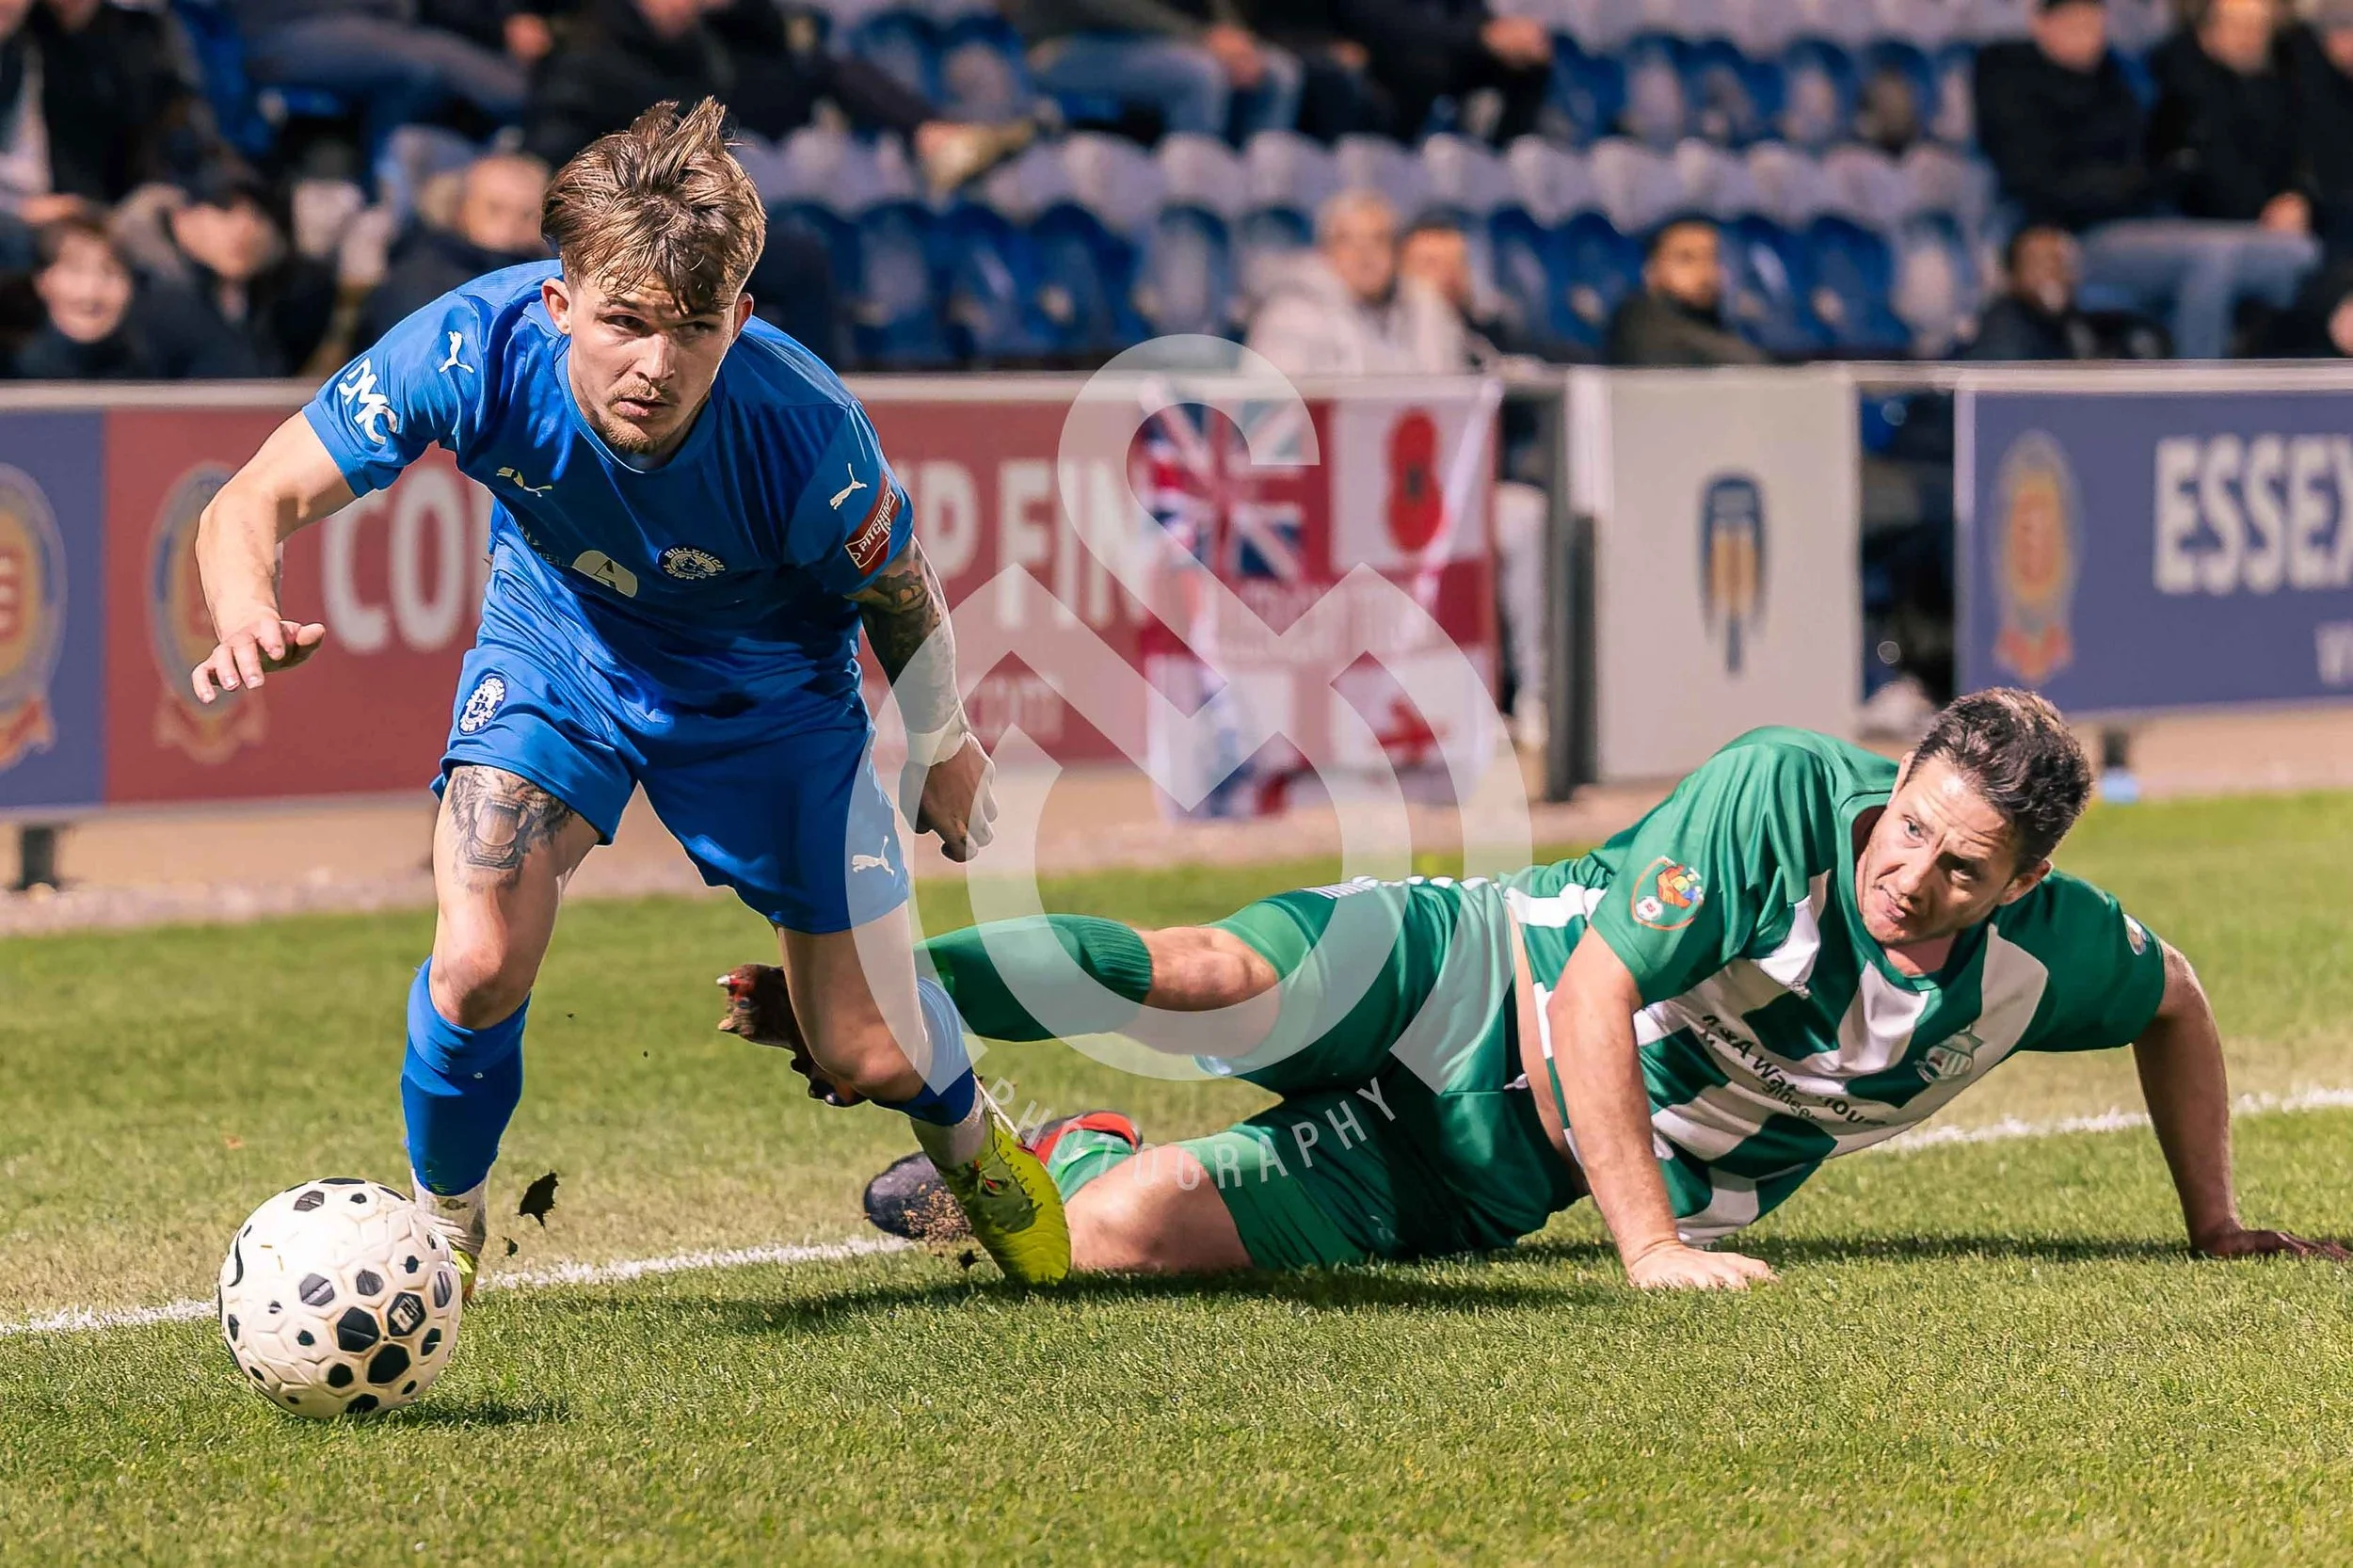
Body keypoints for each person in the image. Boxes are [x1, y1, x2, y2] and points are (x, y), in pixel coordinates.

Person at [185, 99, 1069, 1291]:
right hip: (561, 646)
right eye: (624, 323)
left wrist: (945, 745)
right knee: (478, 958)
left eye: (693, 330)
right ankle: (439, 1233)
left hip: (770, 696)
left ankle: (978, 1149)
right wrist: (246, 608)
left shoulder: (807, 434)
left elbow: (900, 594)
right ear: (559, 305)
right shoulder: (469, 348)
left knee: (862, 1049)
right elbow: (251, 501)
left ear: (739, 319)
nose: (655, 365)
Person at [746, 692, 2349, 1283]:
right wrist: (1650, 1250)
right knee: (1196, 970)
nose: (1910, 871)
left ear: (2025, 887)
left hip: (1482, 1168)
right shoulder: (1786, 791)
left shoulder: (2046, 962)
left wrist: (2209, 1219)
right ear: (1901, 771)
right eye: (1912, 823)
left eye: (1959, 866)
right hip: (1463, 970)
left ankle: (1078, 1145)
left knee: (1105, 1238)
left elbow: (2178, 1001)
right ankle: (874, 998)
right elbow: (1589, 991)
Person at [1977, 0, 2316, 360]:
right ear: (2040, 23)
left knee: (2296, 253)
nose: (2087, 36)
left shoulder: (2118, 77)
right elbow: (2038, 183)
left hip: (2149, 222)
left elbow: (2167, 164)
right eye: (2073, 24)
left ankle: (2280, 380)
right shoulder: (2008, 77)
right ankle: (2197, 395)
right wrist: (2133, 184)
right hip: (2071, 236)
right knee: (2213, 256)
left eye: (2093, 22)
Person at [526, 0, 1027, 198]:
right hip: (675, 165)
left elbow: (773, 42)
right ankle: (935, 136)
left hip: (734, 120)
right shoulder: (599, 46)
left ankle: (937, 135)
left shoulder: (701, 34)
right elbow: (565, 126)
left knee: (828, 66)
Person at [229, 0, 531, 156]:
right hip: (283, 35)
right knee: (429, 57)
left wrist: (508, 19)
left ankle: (385, 179)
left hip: (378, 31)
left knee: (421, 78)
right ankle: (536, 103)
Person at [117, 165, 336, 378]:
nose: (244, 227)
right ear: (181, 217)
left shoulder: (277, 298)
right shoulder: (137, 292)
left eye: (258, 214)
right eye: (225, 208)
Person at [1006, 0, 1303, 143]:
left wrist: (1234, 39)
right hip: (1062, 44)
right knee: (1200, 75)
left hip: (1157, 40)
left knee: (1278, 73)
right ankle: (1191, 213)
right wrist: (1201, 38)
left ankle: (1260, 216)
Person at [1244, 189, 1463, 376]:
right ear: (1324, 252)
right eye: (1348, 241)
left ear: (1396, 251)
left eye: (1378, 240)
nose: (1365, 255)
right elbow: (1271, 412)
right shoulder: (1289, 316)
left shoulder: (1426, 308)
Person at [359, 152, 549, 343]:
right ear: (460, 209)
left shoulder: (549, 281)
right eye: (494, 209)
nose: (511, 225)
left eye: (527, 214)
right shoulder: (420, 279)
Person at [1604, 216, 1769, 366]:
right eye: (1686, 259)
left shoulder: (1720, 322)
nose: (1705, 271)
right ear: (1651, 272)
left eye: (1713, 257)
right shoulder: (1637, 320)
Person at [10, 213, 158, 378]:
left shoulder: (161, 369)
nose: (91, 291)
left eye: (110, 272)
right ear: (42, 281)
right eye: (75, 271)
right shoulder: (13, 371)